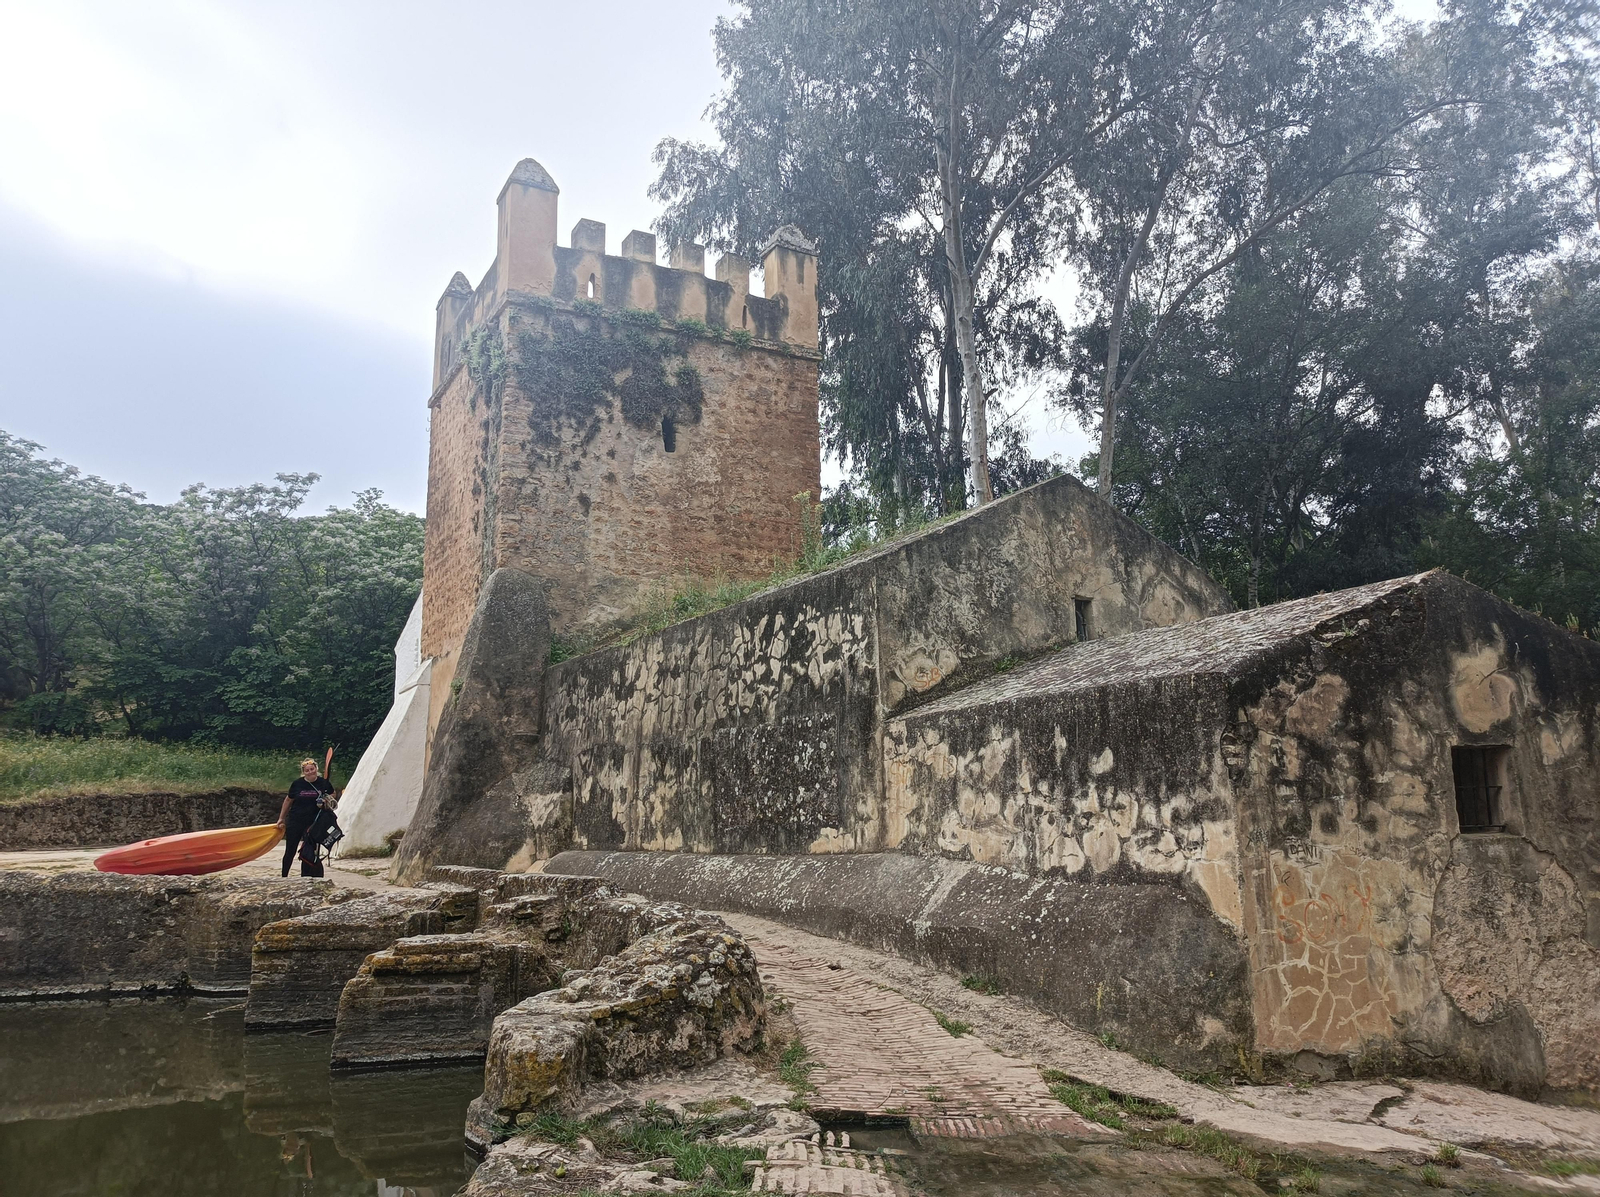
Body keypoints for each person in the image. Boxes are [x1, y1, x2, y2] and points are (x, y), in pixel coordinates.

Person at [277, 759, 333, 878]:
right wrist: (281, 818)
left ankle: (307, 876)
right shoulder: (297, 784)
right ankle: (284, 876)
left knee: (308, 850)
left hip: (313, 823)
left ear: (316, 769)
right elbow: (288, 800)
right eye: (307, 770)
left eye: (312, 769)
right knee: (290, 851)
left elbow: (333, 794)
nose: (310, 772)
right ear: (303, 772)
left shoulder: (324, 783)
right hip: (295, 821)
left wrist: (326, 799)